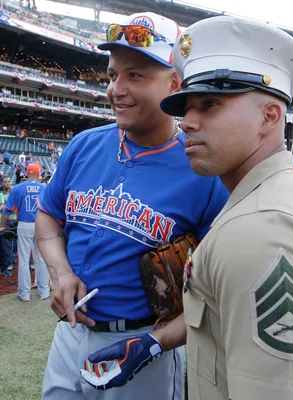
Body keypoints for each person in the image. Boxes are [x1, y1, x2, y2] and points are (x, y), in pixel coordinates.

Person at [35, 12, 228, 400]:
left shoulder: (205, 170)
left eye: (135, 75)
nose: (116, 89)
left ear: (175, 84)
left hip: (145, 342)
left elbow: (217, 294)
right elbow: (48, 217)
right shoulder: (85, 145)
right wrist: (61, 274)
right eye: (112, 75)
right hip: (71, 332)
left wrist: (154, 344)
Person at [160, 15, 293, 400]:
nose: (187, 122)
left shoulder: (267, 228)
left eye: (210, 103)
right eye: (187, 107)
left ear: (269, 117)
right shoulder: (272, 202)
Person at [1, 164, 50, 302]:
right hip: (41, 224)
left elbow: (7, 210)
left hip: (24, 224)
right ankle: (44, 292)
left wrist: (2, 225)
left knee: (23, 259)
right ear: (38, 173)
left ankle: (24, 294)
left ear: (26, 173)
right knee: (41, 258)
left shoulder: (17, 188)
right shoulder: (44, 188)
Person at [0, 175, 17, 276]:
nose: (7, 183)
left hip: (17, 220)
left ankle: (30, 264)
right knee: (5, 245)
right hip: (6, 221)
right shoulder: (1, 194)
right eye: (5, 182)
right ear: (2, 183)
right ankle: (8, 265)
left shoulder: (15, 193)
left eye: (9, 181)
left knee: (19, 244)